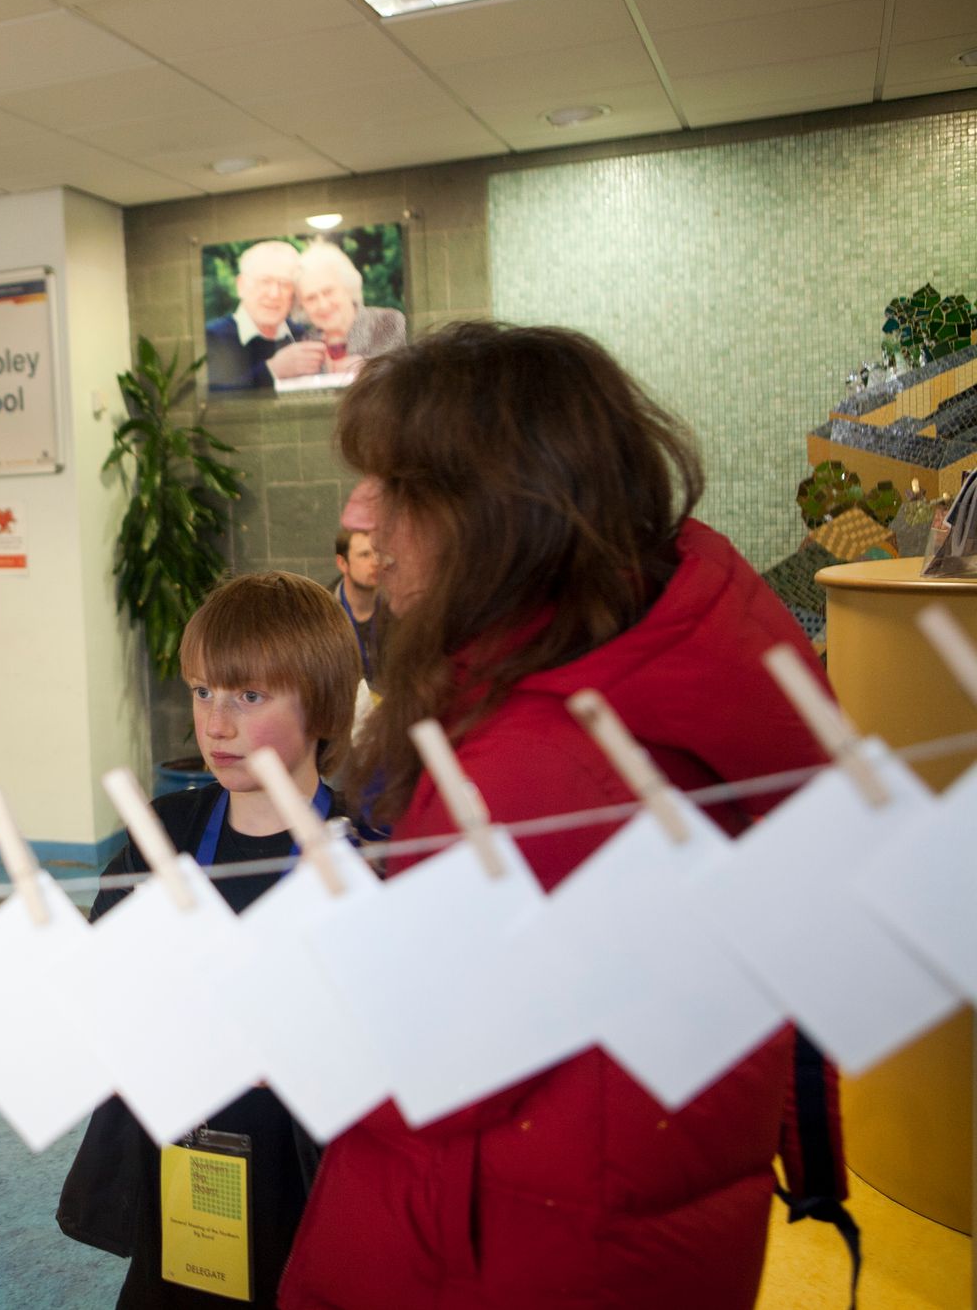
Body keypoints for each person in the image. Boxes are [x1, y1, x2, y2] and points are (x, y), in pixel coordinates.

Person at [275, 322, 847, 1309]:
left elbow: (429, 1066)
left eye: (394, 487)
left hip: (516, 1243)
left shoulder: (533, 767)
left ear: (493, 511)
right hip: (615, 1207)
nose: (358, 515)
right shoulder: (656, 644)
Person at [59, 571, 361, 1309]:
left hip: (307, 1173)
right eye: (202, 692)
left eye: (248, 697)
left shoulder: (364, 851)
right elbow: (101, 979)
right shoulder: (165, 832)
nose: (216, 723)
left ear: (321, 701)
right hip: (182, 1158)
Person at [279, 241, 405, 381]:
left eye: (328, 292)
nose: (323, 305)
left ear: (348, 288)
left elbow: (413, 376)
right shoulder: (306, 344)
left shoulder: (388, 323)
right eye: (311, 298)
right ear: (302, 305)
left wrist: (368, 367)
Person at [204, 241, 304, 391]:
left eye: (285, 284)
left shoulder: (301, 335)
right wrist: (271, 370)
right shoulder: (212, 337)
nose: (274, 294)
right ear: (241, 286)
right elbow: (213, 400)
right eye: (265, 282)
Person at [330, 528, 380, 687]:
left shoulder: (400, 608)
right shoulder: (323, 613)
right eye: (365, 555)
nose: (376, 562)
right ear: (342, 563)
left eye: (379, 553)